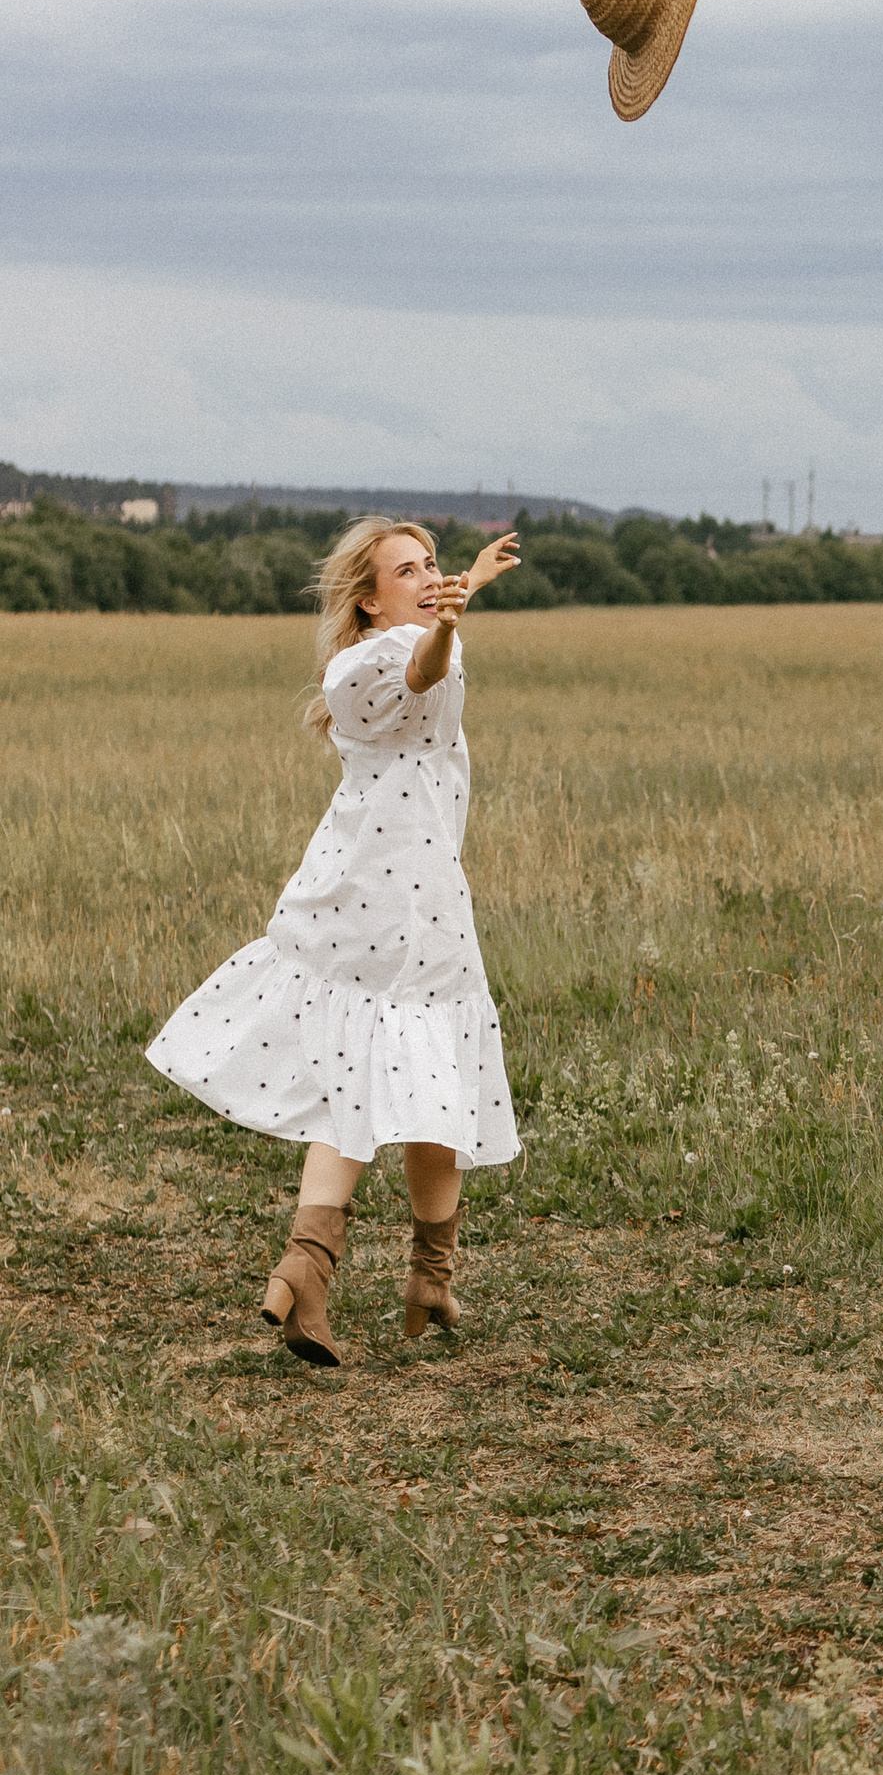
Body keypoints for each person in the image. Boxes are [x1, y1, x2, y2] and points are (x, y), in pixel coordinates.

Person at [147, 517, 522, 1366]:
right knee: (390, 1074)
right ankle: (321, 1270)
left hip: (414, 899)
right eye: (407, 571)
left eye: (432, 565)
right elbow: (422, 671)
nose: (428, 579)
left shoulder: (420, 643)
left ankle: (392, 1274)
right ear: (367, 596)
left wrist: (459, 603)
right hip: (384, 909)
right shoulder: (369, 662)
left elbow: (431, 665)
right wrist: (452, 624)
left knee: (425, 1083)